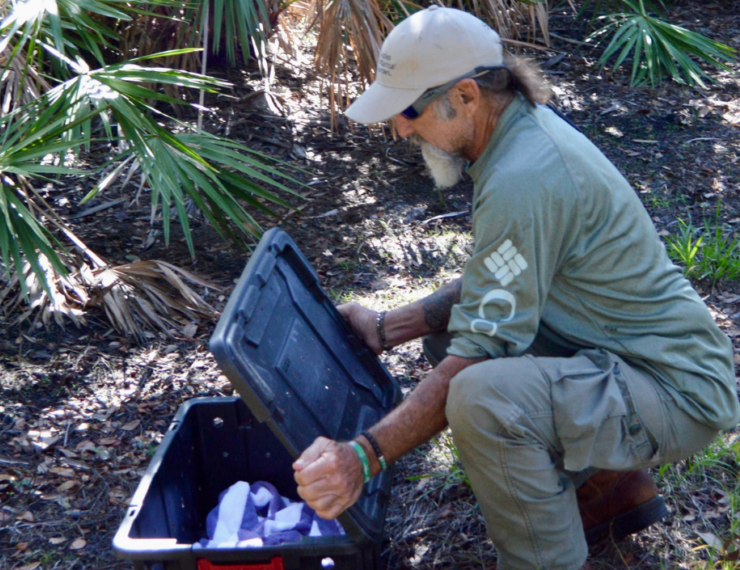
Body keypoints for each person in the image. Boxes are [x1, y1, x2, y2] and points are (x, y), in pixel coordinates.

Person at [291, 7, 740, 570]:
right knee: (453, 346)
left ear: (468, 95)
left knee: (481, 396)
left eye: (409, 109)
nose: (400, 128)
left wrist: (362, 456)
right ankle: (609, 494)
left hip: (677, 390)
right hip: (637, 358)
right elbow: (495, 285)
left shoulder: (522, 177)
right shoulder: (518, 139)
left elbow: (479, 355)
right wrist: (389, 328)